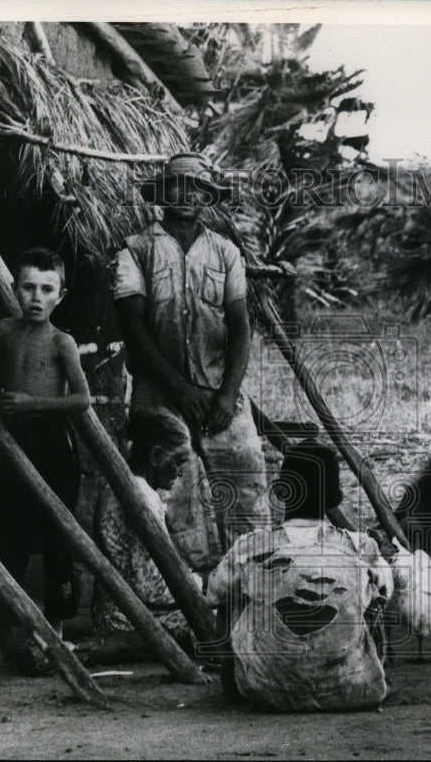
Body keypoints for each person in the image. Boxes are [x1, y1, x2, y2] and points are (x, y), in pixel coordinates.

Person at [111, 152, 270, 566]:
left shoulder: (226, 253)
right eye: (177, 185)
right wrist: (179, 389)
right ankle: (181, 596)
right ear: (162, 193)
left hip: (219, 394)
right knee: (173, 496)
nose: (186, 194)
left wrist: (227, 395)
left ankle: (248, 585)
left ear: (207, 197)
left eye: (196, 187)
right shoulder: (135, 250)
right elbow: (134, 329)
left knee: (246, 482)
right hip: (159, 396)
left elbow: (239, 329)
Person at [207, 439, 393, 712]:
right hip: (355, 693)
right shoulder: (361, 546)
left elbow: (213, 594)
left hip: (263, 692)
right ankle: (368, 671)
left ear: (281, 491)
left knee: (232, 596)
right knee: (373, 595)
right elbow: (388, 594)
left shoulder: (250, 546)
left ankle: (232, 685)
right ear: (337, 499)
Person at [0, 247, 90, 672]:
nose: (36, 298)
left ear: (61, 295)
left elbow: (82, 398)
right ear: (14, 289)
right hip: (13, 444)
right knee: (11, 531)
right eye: (28, 288)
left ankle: (57, 634)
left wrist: (35, 403)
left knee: (57, 533)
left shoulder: (62, 342)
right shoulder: (5, 331)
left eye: (46, 289)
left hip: (52, 445)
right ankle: (15, 628)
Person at [85, 407, 213, 663]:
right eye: (177, 462)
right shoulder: (143, 497)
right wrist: (203, 584)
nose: (180, 471)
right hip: (130, 621)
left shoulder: (115, 486)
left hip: (110, 613)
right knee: (225, 616)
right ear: (156, 455)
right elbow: (152, 588)